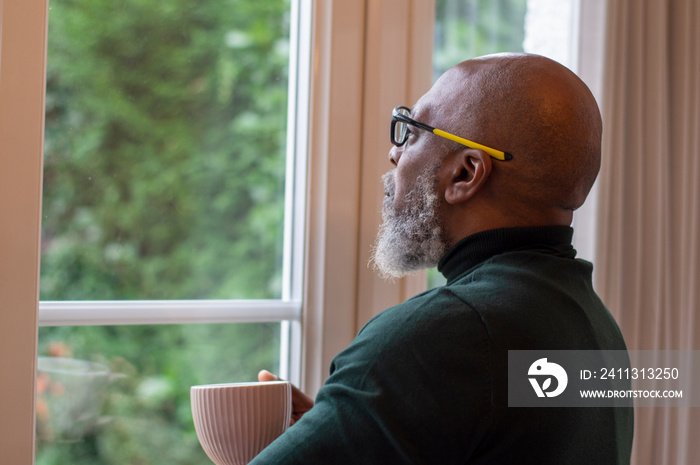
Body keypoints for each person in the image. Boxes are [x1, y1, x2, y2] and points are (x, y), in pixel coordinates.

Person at [251, 53, 633, 464]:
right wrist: (349, 427)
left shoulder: (439, 335)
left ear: (466, 174)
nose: (394, 155)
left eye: (411, 132)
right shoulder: (594, 327)